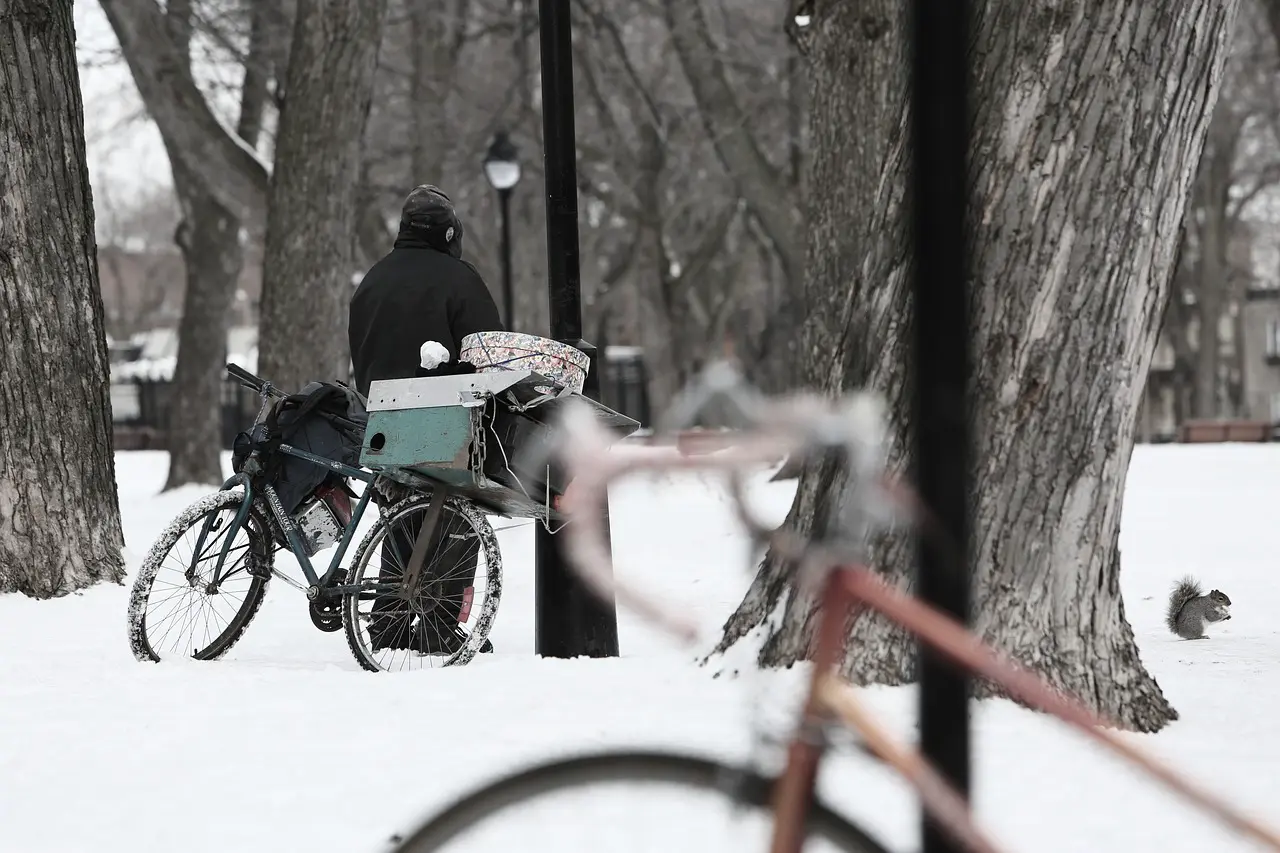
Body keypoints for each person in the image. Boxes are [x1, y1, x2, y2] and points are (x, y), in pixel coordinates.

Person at [349, 184, 503, 656]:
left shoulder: (371, 280)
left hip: (382, 417)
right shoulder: (459, 279)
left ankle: (390, 622)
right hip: (443, 416)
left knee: (400, 518)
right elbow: (488, 350)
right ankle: (438, 624)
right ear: (449, 233)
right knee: (457, 518)